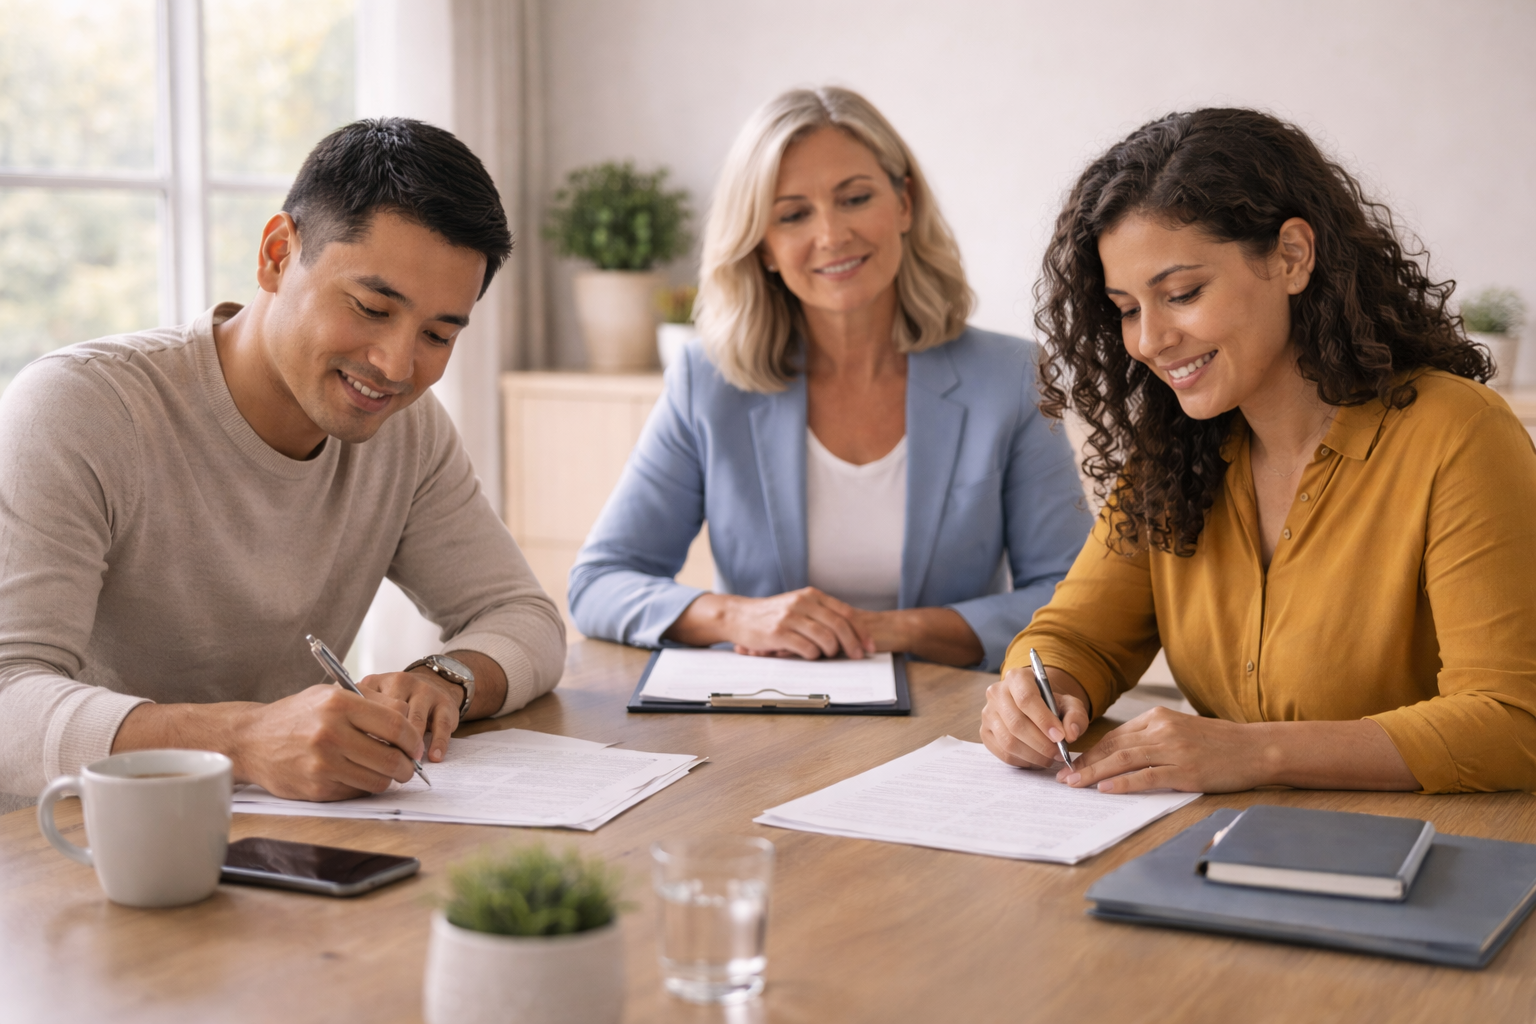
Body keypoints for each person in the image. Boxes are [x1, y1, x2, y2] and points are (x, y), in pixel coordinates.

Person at [0, 118, 565, 809]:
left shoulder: (406, 431)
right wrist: (241, 740)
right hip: (71, 849)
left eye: (438, 334)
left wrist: (445, 679)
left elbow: (523, 616)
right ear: (275, 255)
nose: (396, 366)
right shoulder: (78, 409)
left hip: (277, 845)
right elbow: (7, 697)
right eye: (371, 307)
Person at [981, 107, 1536, 794]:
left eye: (1181, 293)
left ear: (1291, 257)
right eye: (1127, 308)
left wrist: (1259, 753)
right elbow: (1076, 636)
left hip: (1425, 858)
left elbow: (1512, 722)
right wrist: (1036, 691)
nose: (1150, 340)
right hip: (1223, 850)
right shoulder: (1175, 451)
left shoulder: (1458, 434)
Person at [568, 87, 1091, 672]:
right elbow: (599, 584)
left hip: (952, 724)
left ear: (904, 203)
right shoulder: (706, 383)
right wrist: (738, 617)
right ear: (762, 246)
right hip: (770, 723)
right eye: (793, 214)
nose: (832, 235)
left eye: (855, 198)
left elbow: (1071, 600)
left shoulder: (1010, 377)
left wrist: (891, 631)